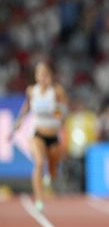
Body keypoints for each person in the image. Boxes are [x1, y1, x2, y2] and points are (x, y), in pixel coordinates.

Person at [11, 62, 68, 212]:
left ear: (50, 76)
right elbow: (27, 107)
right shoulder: (31, 91)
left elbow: (62, 113)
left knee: (53, 171)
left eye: (46, 74)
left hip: (53, 135)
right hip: (37, 134)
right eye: (40, 74)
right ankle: (39, 199)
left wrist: (55, 108)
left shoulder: (57, 91)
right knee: (38, 163)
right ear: (36, 76)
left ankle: (49, 176)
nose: (43, 77)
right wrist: (19, 122)